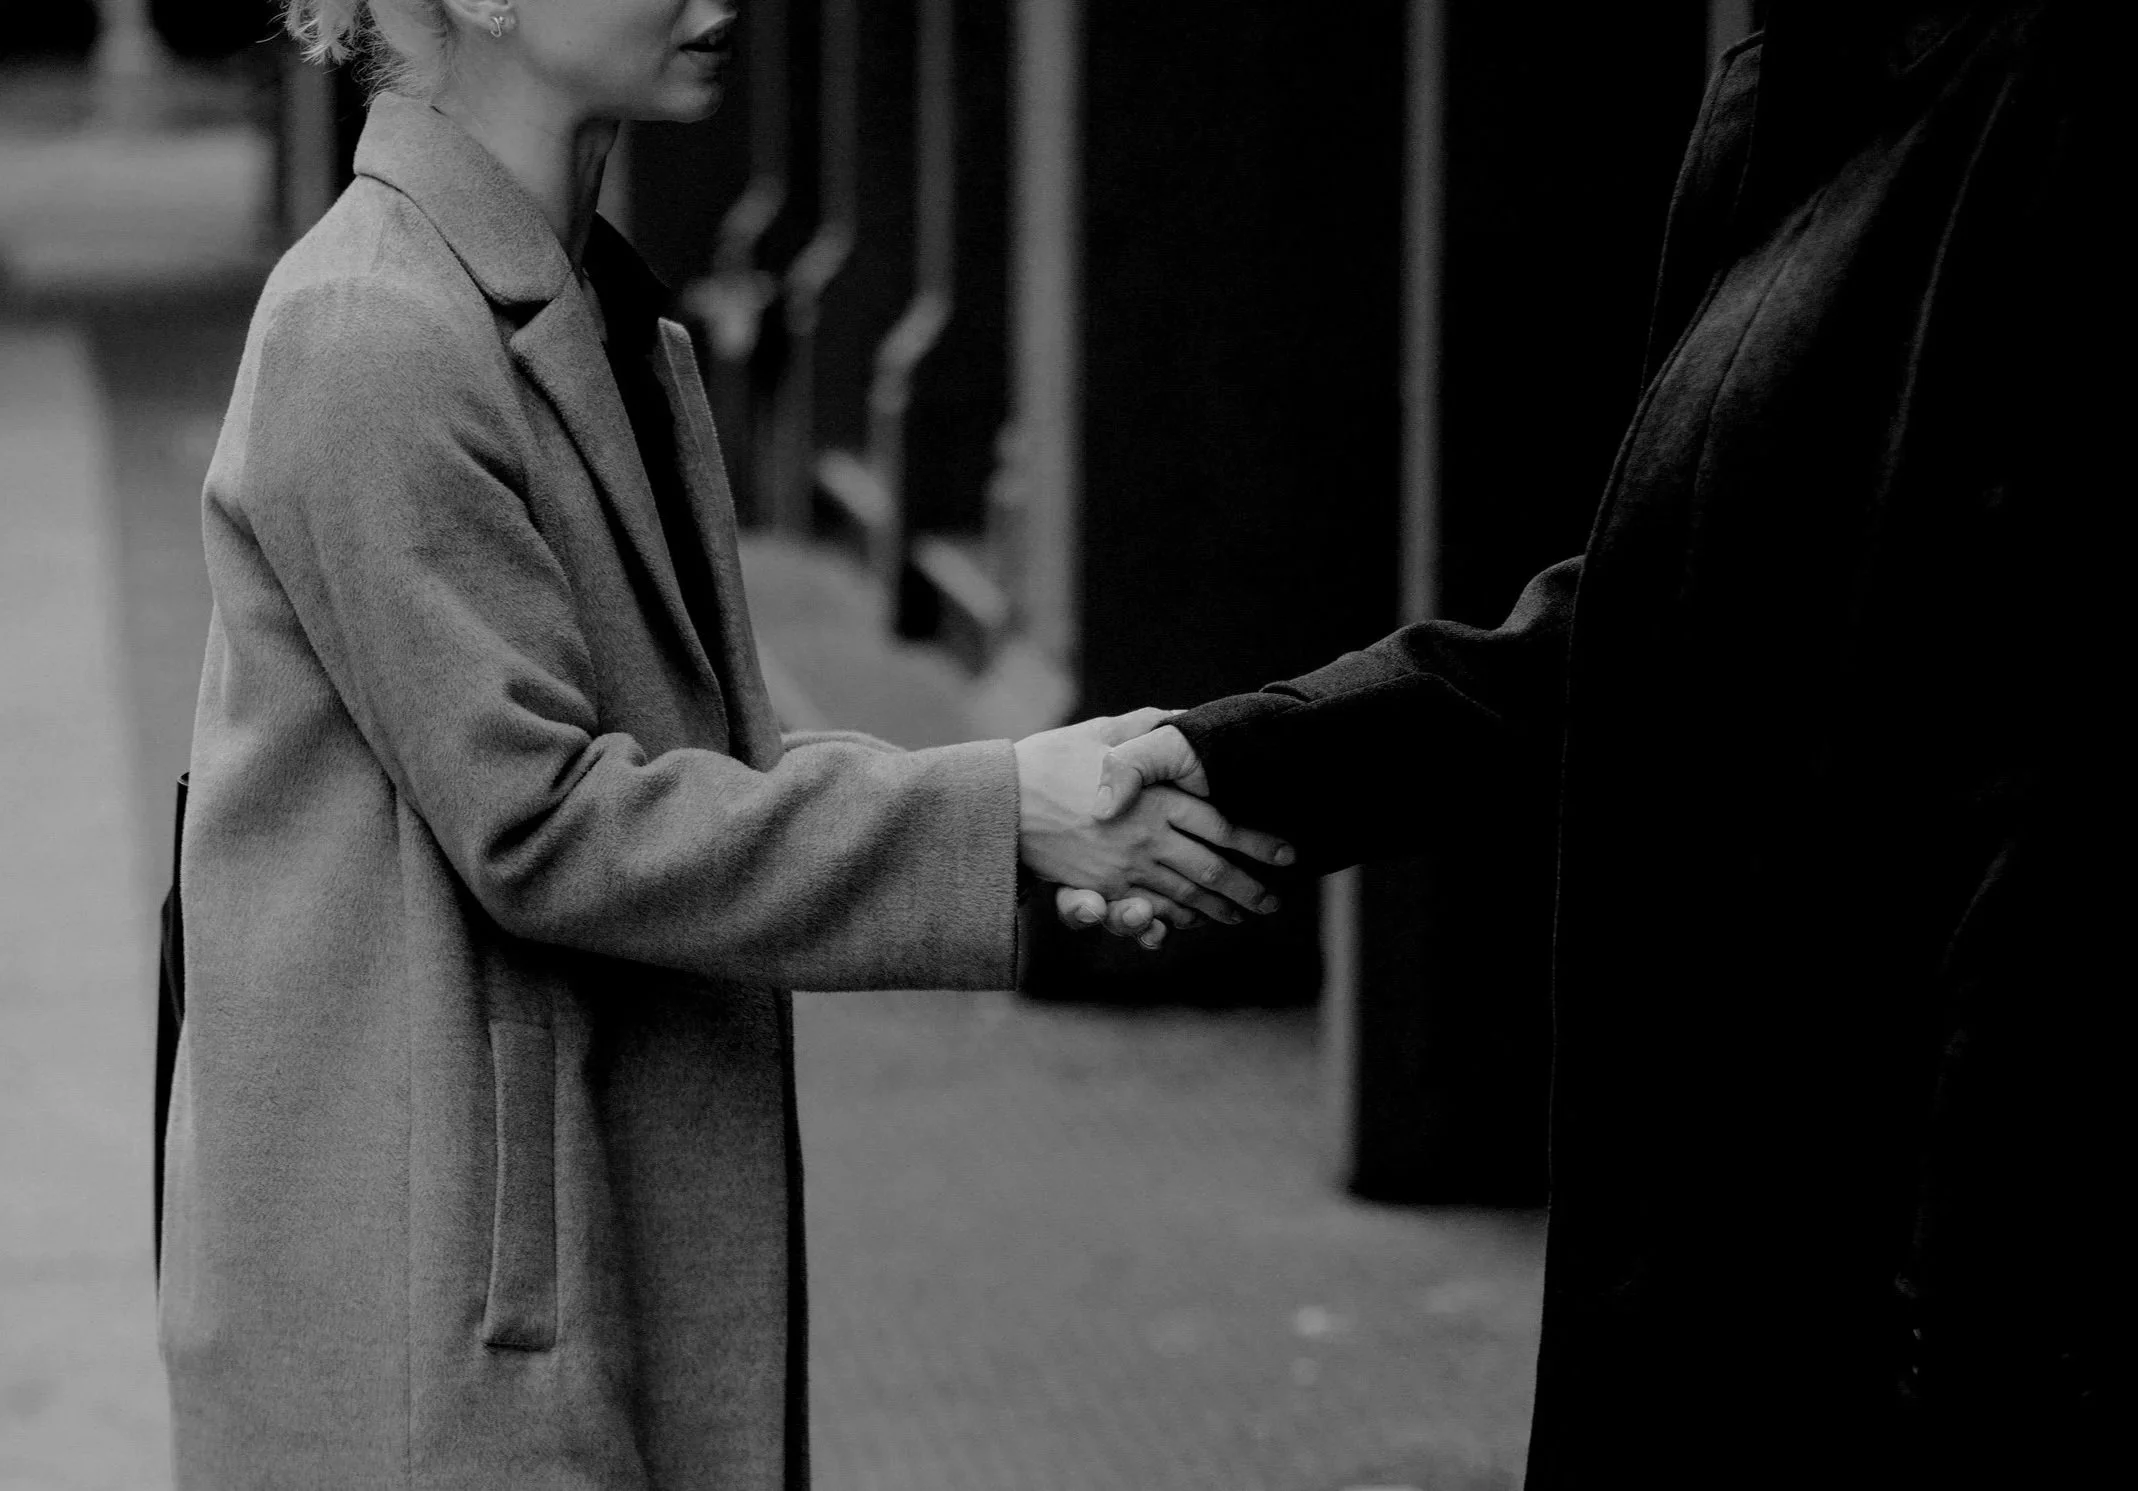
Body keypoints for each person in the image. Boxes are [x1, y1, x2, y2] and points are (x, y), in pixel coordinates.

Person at [1063, 3, 2138, 1486]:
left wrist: (1967, 1353)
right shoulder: (1796, 81)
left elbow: (2076, 792)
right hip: (1718, 1237)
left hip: (1911, 1291)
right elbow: (1665, 611)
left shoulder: (2075, 102)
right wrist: (1249, 762)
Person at [159, 2, 1290, 1486]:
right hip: (435, 1311)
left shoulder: (585, 311)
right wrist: (1003, 807)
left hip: (556, 1235)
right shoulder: (370, 328)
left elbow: (691, 755)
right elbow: (548, 822)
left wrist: (1020, 808)